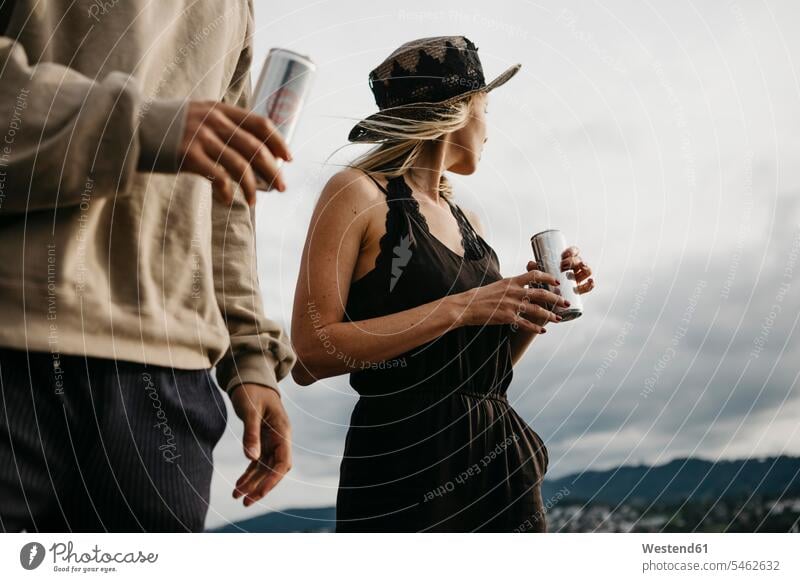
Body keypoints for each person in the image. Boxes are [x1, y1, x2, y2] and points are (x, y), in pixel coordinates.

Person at [0, 0, 296, 532]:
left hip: (170, 384)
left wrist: (252, 359)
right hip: (16, 341)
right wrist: (140, 126)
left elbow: (227, 198)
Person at [291, 36, 596, 532]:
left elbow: (472, 373)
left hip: (499, 464)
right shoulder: (354, 193)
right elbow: (308, 354)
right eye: (486, 109)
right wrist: (466, 305)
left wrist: (526, 304)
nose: (489, 131)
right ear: (456, 111)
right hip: (407, 465)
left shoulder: (468, 219)